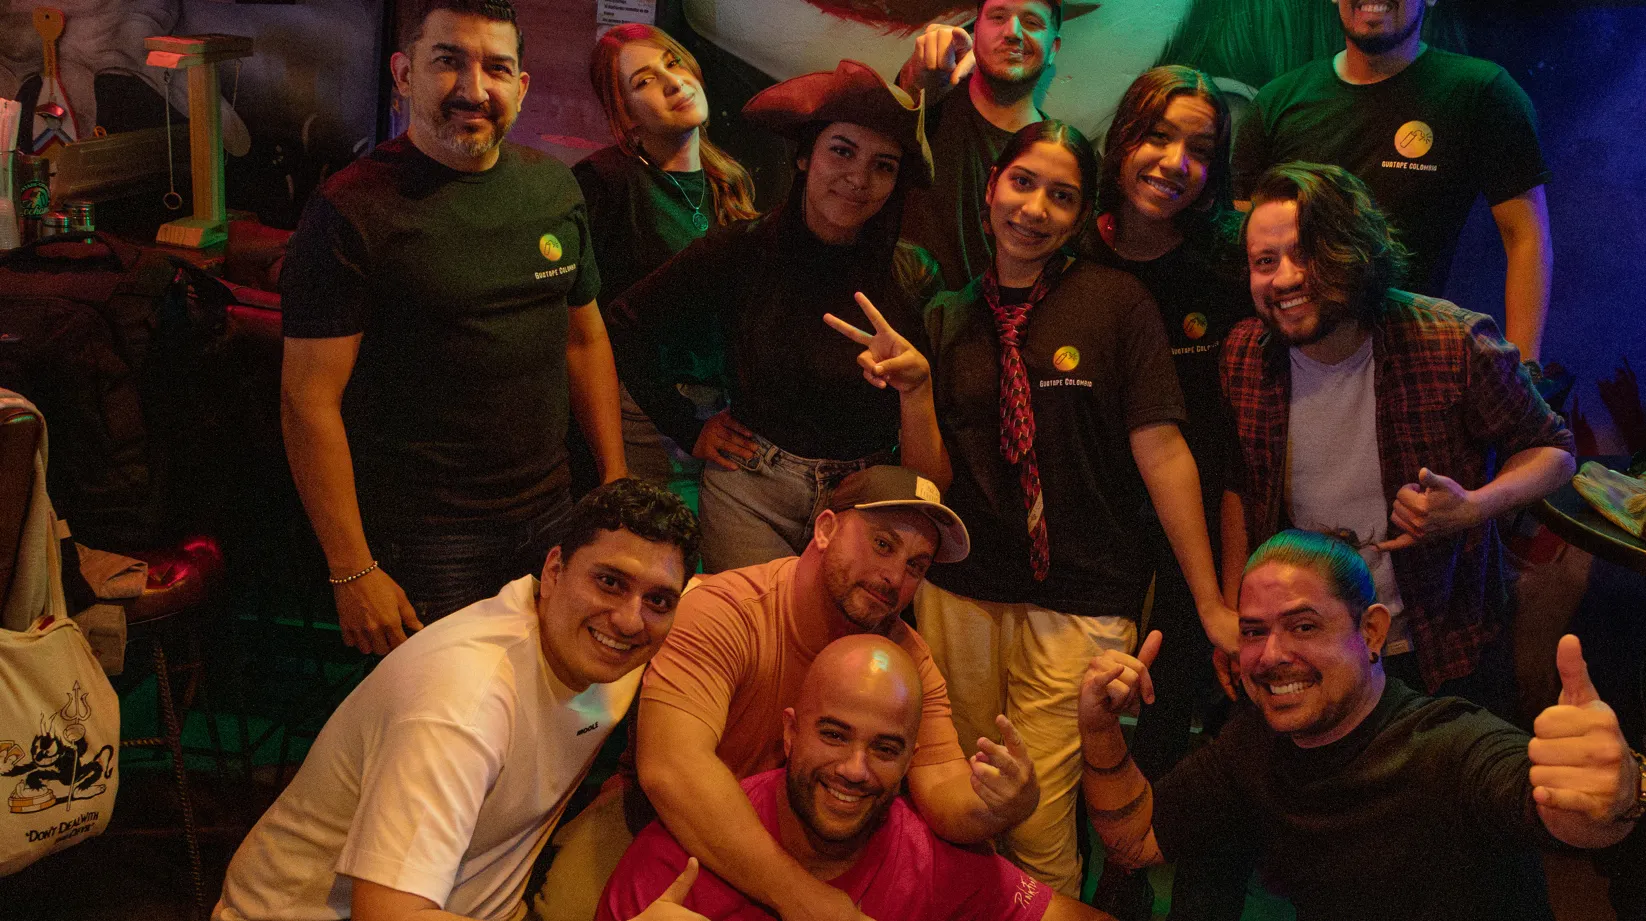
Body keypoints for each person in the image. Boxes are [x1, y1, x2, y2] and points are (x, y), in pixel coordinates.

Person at [918, 119, 1236, 896]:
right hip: (963, 590)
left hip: (1086, 598)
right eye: (1022, 183)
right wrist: (909, 392)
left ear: (1079, 213)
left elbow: (1163, 453)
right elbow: (930, 473)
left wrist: (1211, 603)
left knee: (1038, 819)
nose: (1033, 208)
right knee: (959, 797)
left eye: (1061, 196)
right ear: (991, 186)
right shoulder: (946, 315)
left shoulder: (1117, 303)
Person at [530, 466, 1038, 921]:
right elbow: (671, 771)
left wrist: (1004, 804)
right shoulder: (726, 611)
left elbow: (943, 790)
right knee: (570, 910)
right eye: (883, 545)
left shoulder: (907, 657)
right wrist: (804, 899)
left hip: (821, 842)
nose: (894, 577)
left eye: (916, 566)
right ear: (825, 529)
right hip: (672, 830)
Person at [280, 0, 627, 655]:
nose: (473, 89)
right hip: (426, 539)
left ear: (521, 88)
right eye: (448, 62)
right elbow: (307, 401)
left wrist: (611, 477)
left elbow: (584, 339)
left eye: (497, 68)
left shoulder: (554, 188)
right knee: (437, 736)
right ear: (405, 73)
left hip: (554, 513)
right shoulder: (350, 210)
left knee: (545, 711)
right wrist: (352, 569)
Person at [1078, 530, 1646, 921]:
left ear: (1372, 633)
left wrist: (1617, 792)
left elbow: (1576, 815)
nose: (1271, 654)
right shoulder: (1255, 741)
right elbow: (1135, 838)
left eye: (1304, 626)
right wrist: (1100, 729)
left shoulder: (1448, 744)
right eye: (1253, 631)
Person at [212, 480, 700, 921]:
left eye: (658, 600)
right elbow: (388, 916)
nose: (630, 620)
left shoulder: (601, 643)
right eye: (609, 582)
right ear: (553, 571)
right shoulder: (464, 704)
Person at [1218, 162, 1574, 715]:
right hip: (1302, 654)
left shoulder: (1451, 340)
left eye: (1306, 253)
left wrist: (1474, 507)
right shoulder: (1245, 354)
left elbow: (1554, 451)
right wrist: (1237, 618)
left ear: (1353, 252)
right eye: (1265, 262)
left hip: (1435, 647)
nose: (1285, 278)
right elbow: (1240, 487)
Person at [606, 60, 945, 574]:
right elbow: (626, 324)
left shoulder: (914, 275)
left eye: (884, 165)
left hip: (868, 497)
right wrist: (688, 426)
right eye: (842, 151)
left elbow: (934, 428)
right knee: (754, 643)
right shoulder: (739, 250)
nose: (859, 178)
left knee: (839, 651)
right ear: (806, 157)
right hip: (752, 493)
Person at [1073, 65, 1252, 921]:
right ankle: (1110, 887)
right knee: (1097, 717)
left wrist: (1224, 586)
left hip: (1201, 541)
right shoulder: (1073, 246)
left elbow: (1231, 452)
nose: (1176, 162)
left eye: (1201, 150)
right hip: (1090, 540)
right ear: (1123, 141)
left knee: (1181, 724)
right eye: (1158, 137)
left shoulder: (1225, 270)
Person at [597, 635, 1118, 921]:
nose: (854, 769)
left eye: (884, 748)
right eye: (834, 734)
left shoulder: (930, 860)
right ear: (790, 733)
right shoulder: (677, 863)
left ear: (911, 758)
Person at [1230, 0, 1553, 362]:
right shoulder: (1276, 103)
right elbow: (1245, 246)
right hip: (1293, 358)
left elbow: (1524, 237)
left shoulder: (1481, 94)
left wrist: (1526, 367)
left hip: (1413, 359)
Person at [571, 24, 758, 485]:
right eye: (645, 81)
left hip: (724, 409)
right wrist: (683, 423)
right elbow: (597, 325)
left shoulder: (727, 181)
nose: (673, 82)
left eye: (672, 63)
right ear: (626, 116)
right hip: (646, 411)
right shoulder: (606, 183)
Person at [896, 0, 1060, 289]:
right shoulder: (931, 103)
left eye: (1032, 23)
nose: (1013, 32)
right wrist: (915, 79)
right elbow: (883, 126)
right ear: (976, 31)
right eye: (998, 17)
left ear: (1054, 49)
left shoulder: (1062, 158)